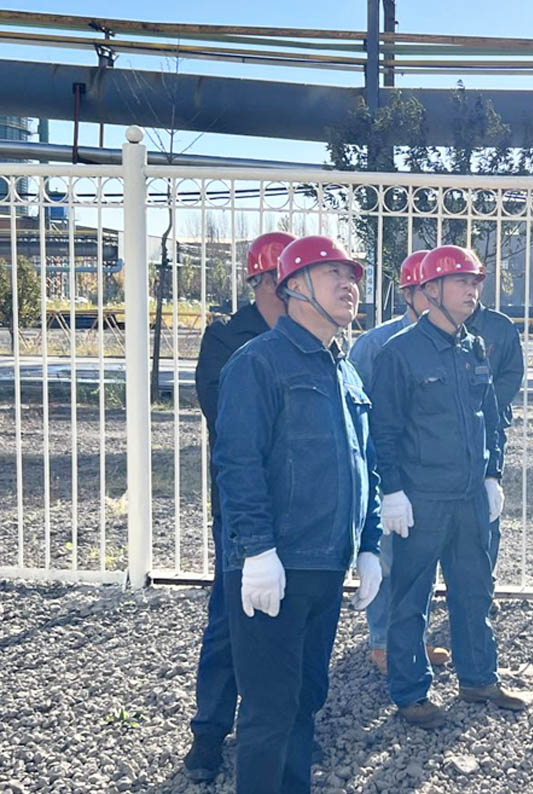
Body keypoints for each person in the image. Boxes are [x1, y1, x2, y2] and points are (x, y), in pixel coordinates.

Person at [212, 235, 384, 793]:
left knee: (306, 700)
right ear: (292, 286)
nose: (348, 284)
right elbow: (238, 463)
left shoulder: (345, 370)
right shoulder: (257, 363)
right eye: (332, 273)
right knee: (269, 710)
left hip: (325, 565)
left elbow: (366, 464)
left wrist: (369, 545)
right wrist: (257, 551)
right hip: (276, 566)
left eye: (351, 275)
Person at [370, 244, 529, 727]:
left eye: (475, 281)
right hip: (423, 498)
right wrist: (391, 490)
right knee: (410, 598)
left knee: (475, 590)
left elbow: (490, 419)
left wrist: (492, 474)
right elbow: (383, 429)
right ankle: (411, 692)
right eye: (462, 281)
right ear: (431, 289)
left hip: (468, 497)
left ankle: (479, 677)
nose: (472, 290)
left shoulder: (473, 347)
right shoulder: (400, 353)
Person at [184, 230, 292, 782]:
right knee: (230, 618)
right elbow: (232, 421)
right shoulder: (227, 339)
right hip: (244, 506)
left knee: (292, 620)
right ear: (269, 281)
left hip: (302, 505)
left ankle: (285, 732)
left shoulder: (315, 341)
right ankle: (208, 734)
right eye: (295, 276)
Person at [350, 250, 451, 675]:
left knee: (420, 563)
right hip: (386, 470)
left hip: (426, 474)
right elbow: (358, 412)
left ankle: (412, 638)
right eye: (425, 290)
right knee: (387, 558)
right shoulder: (375, 345)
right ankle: (381, 642)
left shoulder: (448, 341)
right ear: (409, 294)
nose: (434, 298)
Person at [464, 289, 525, 571]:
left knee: (486, 509)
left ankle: (482, 581)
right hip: (440, 432)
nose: (468, 288)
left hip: (489, 431)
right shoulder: (434, 326)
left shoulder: (500, 327)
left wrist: (484, 407)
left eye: (472, 281)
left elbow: (512, 374)